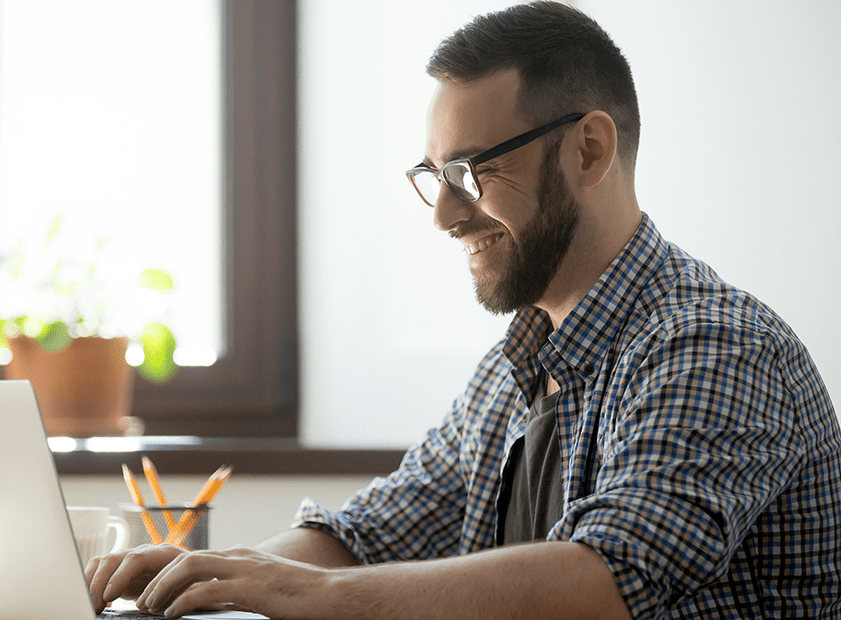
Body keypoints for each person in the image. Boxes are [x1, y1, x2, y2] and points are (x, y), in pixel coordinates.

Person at [86, 3, 841, 618]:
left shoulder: (715, 345)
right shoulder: (516, 365)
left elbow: (605, 580)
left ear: (587, 150)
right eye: (434, 175)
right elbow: (370, 536)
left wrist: (305, 594)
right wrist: (213, 575)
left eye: (471, 172)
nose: (445, 216)